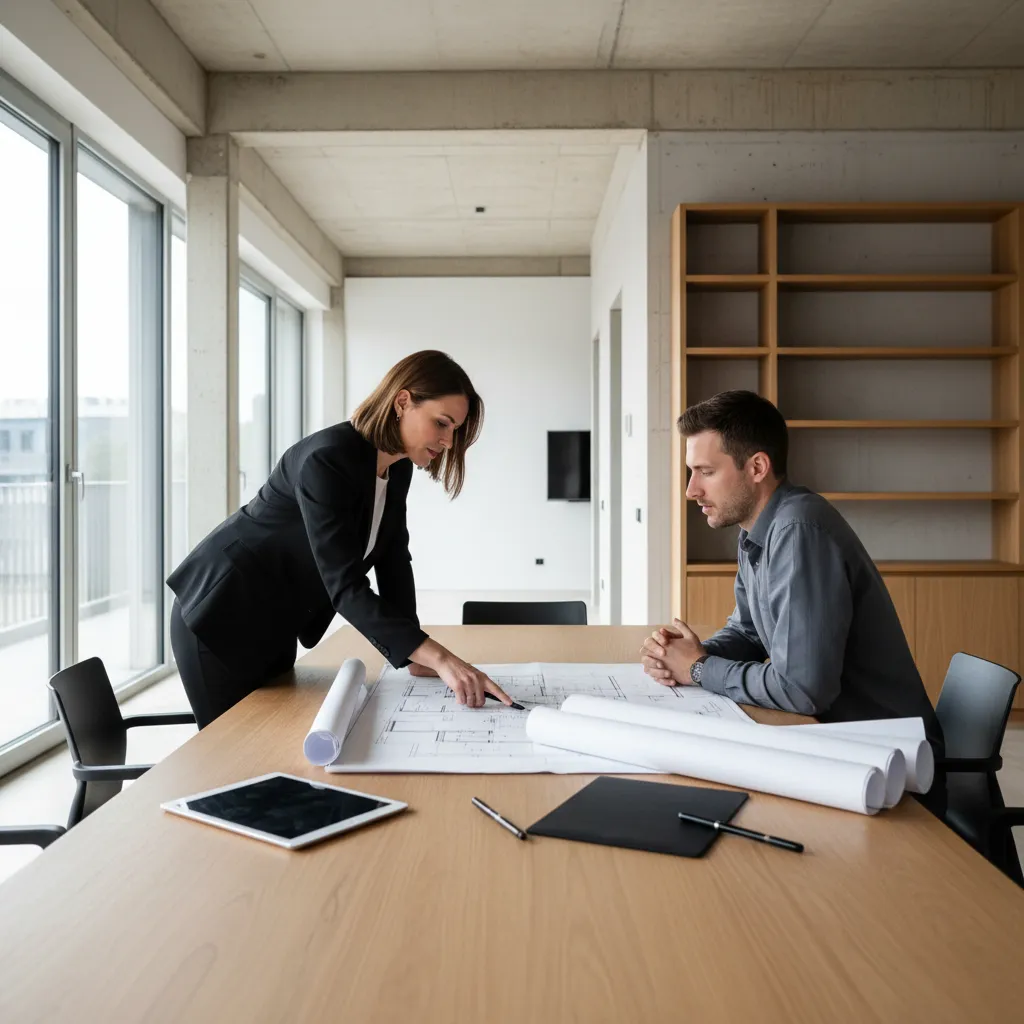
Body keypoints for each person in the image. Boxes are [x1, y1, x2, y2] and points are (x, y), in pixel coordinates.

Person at [168, 349, 513, 728]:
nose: (449, 441)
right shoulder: (328, 459)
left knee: (268, 737)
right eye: (442, 424)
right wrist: (441, 658)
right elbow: (345, 584)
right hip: (222, 613)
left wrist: (416, 653)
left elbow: (394, 560)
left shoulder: (397, 470)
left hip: (273, 620)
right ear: (403, 401)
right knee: (230, 751)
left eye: (455, 431)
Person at [640, 389, 944, 763]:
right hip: (836, 738)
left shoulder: (798, 531)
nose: (691, 490)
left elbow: (803, 690)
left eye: (705, 472)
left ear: (756, 468)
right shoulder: (756, 529)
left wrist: (700, 669)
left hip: (888, 758)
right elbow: (748, 631)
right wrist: (686, 656)